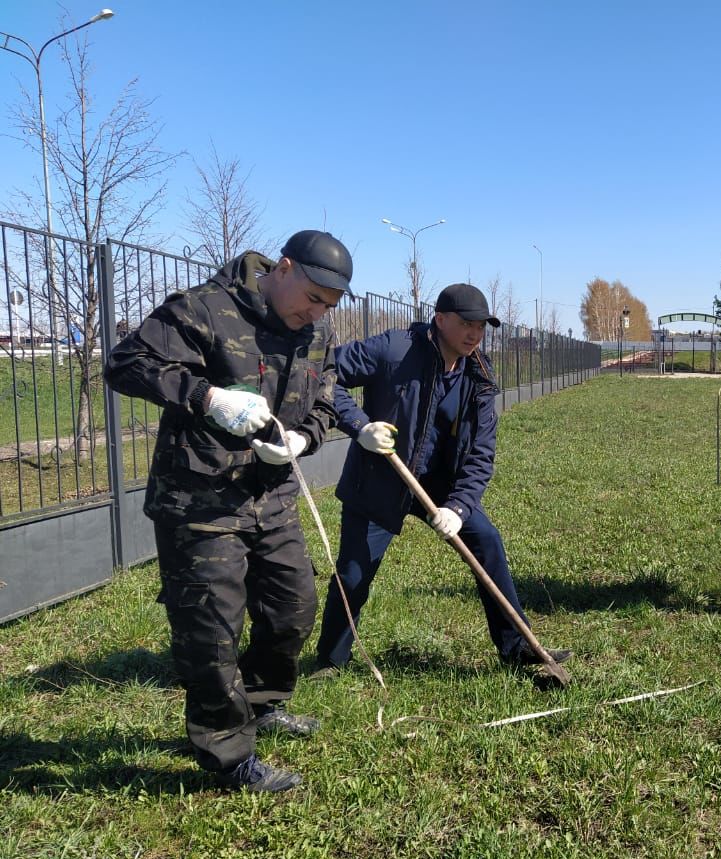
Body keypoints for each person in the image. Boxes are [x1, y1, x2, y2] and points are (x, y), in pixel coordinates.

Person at [105, 230, 350, 793]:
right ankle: (227, 753)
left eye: (328, 305)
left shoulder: (317, 328)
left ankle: (263, 703)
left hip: (272, 499)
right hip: (201, 502)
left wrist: (303, 441)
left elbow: (327, 395)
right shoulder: (203, 308)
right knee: (212, 632)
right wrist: (206, 397)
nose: (316, 312)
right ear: (282, 268)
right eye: (312, 297)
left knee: (293, 609)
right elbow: (126, 363)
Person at [313, 283, 570, 678]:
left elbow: (482, 454)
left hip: (442, 486)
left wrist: (460, 506)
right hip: (382, 478)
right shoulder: (395, 350)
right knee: (354, 571)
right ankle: (330, 661)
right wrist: (360, 426)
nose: (474, 333)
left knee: (486, 541)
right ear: (440, 319)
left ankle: (518, 646)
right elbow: (326, 375)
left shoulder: (479, 376)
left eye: (481, 326)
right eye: (466, 323)